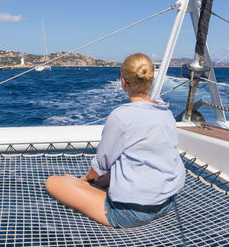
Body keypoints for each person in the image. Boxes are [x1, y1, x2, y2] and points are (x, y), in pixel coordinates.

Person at [46, 53, 186, 228]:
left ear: (123, 82)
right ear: (151, 81)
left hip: (132, 213)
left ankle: (80, 186)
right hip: (167, 202)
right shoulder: (165, 112)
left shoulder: (120, 117)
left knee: (54, 182)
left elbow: (101, 165)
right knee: (109, 172)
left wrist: (82, 181)